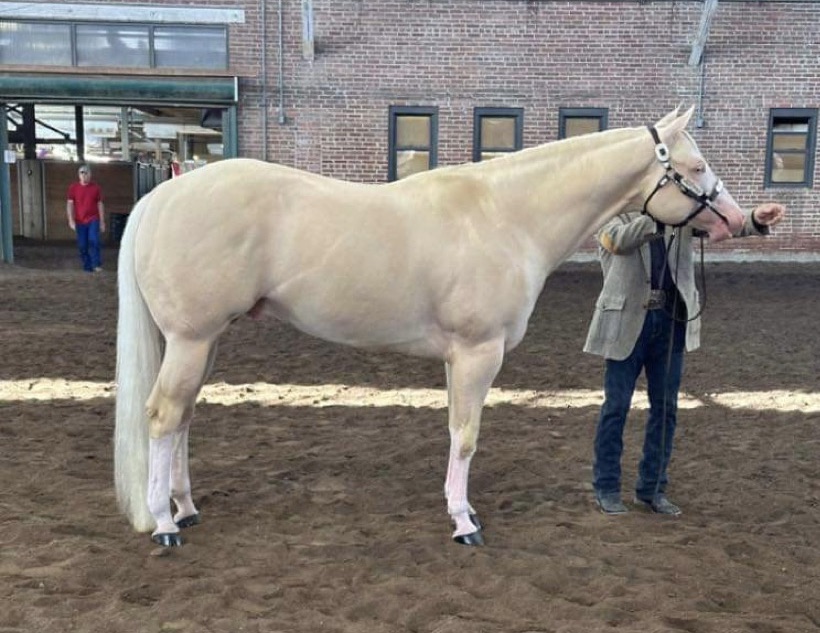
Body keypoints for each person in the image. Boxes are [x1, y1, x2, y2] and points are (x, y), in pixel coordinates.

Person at [584, 203, 786, 516]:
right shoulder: (612, 214)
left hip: (671, 320)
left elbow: (718, 224)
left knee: (666, 410)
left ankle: (652, 490)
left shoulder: (678, 217)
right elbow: (619, 242)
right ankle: (607, 488)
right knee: (616, 408)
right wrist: (657, 216)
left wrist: (753, 219)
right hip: (625, 323)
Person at [67, 164, 106, 272]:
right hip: (80, 220)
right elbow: (70, 204)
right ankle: (87, 266)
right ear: (79, 175)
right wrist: (70, 219)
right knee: (82, 245)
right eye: (82, 173)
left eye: (86, 173)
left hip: (93, 219)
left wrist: (102, 221)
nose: (84, 175)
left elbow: (100, 204)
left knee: (94, 240)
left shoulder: (96, 188)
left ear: (90, 175)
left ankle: (96, 264)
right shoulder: (73, 188)